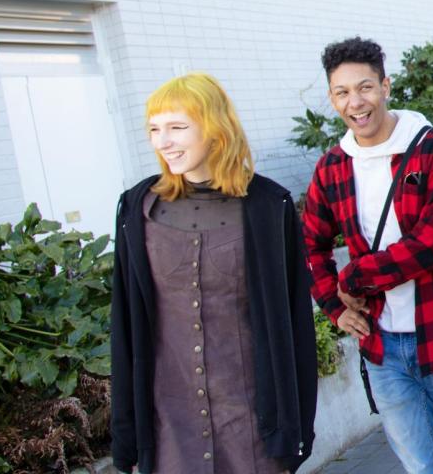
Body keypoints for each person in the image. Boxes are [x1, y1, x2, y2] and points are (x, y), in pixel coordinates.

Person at [302, 37, 433, 474]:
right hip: (382, 348)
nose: (356, 102)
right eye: (342, 93)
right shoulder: (332, 167)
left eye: (365, 87)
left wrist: (354, 278)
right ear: (332, 98)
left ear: (386, 86)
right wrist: (335, 307)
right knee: (420, 469)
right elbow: (310, 245)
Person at [110, 73, 317, 474]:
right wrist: (128, 434)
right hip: (169, 424)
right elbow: (125, 326)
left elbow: (294, 324)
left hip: (252, 425)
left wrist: (296, 430)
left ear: (215, 128)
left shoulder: (268, 207)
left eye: (177, 127)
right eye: (154, 129)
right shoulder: (137, 210)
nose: (162, 141)